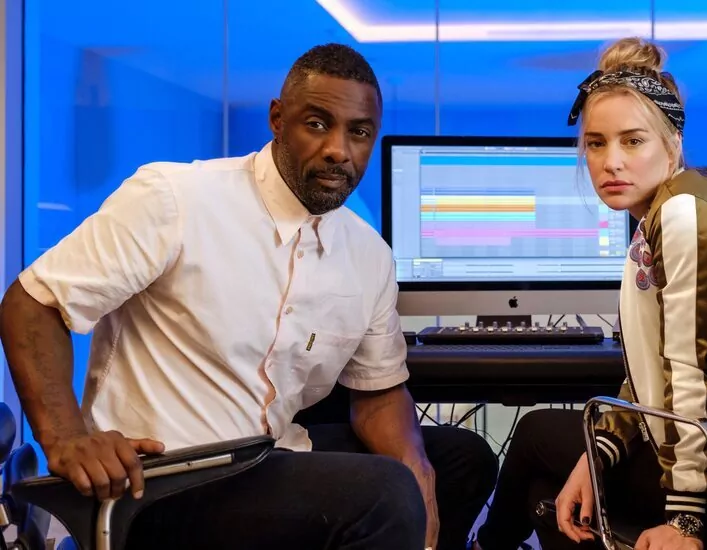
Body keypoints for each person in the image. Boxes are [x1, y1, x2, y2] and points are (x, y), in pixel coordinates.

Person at [0, 43, 498, 550]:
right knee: (385, 493)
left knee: (462, 459)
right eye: (318, 124)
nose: (339, 150)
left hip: (269, 457)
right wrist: (65, 438)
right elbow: (34, 301)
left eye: (360, 132)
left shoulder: (368, 254)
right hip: (162, 480)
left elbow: (379, 392)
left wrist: (418, 469)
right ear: (277, 120)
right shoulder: (177, 198)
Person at [470, 37, 707, 550]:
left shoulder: (683, 217)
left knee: (536, 438)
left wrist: (686, 522)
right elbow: (653, 375)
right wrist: (597, 455)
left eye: (632, 141)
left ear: (672, 141)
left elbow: (687, 375)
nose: (610, 162)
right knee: (552, 495)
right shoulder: (673, 207)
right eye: (596, 143)